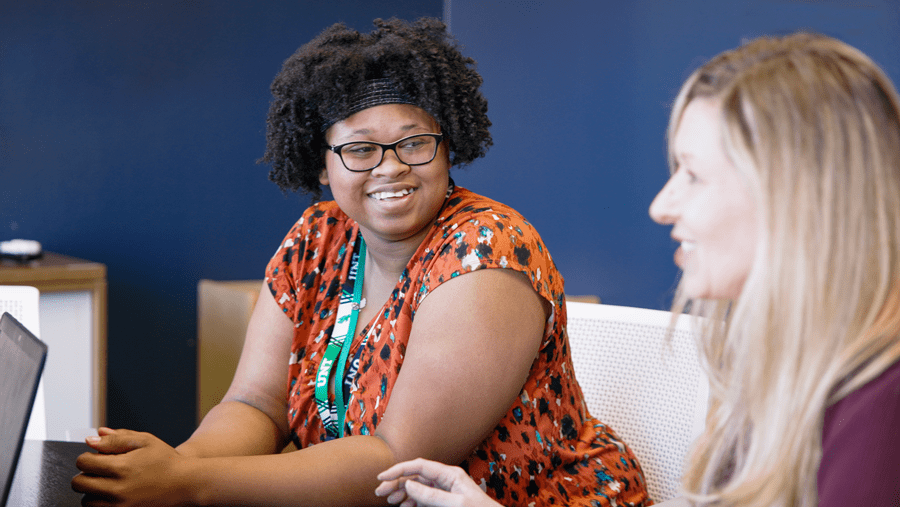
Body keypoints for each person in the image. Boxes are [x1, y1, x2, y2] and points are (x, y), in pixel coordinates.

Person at [70, 17, 650, 507]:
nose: (391, 167)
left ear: (449, 148)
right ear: (321, 164)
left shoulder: (488, 252)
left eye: (415, 142)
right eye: (360, 149)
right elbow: (256, 403)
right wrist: (169, 466)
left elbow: (399, 459)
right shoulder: (316, 239)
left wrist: (186, 483)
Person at [375, 32, 900, 507]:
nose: (662, 206)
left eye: (693, 175)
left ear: (800, 196)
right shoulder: (792, 363)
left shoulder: (881, 408)